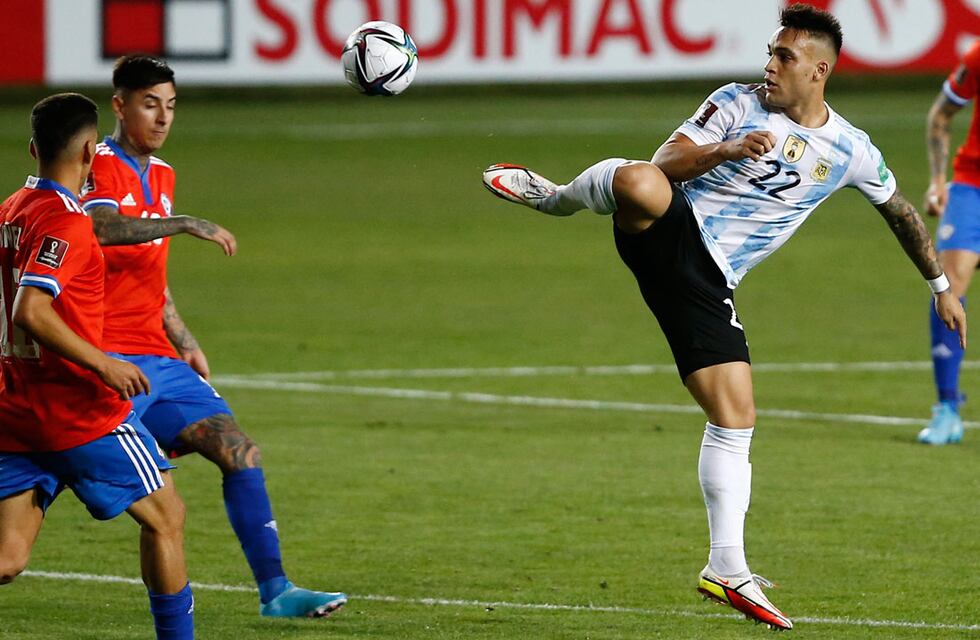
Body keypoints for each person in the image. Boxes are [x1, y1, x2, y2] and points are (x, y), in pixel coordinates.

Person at [482, 4, 966, 631]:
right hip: (669, 227)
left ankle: (726, 567)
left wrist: (940, 285)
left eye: (784, 57)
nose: (769, 65)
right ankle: (556, 198)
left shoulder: (850, 150)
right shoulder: (736, 103)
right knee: (637, 181)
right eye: (770, 51)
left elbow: (900, 212)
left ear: (818, 71)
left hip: (709, 283)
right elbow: (665, 163)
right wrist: (726, 149)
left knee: (735, 415)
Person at [79, 55, 347, 617]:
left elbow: (152, 272)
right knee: (44, 498)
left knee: (240, 452)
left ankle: (277, 591)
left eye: (170, 106)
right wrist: (185, 223)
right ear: (120, 105)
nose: (162, 118)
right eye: (150, 104)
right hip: (97, 358)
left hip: (157, 357)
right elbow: (101, 231)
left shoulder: (165, 175)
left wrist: (183, 339)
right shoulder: (95, 165)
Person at [0, 93, 194, 639]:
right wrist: (105, 364)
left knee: (8, 559)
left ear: (33, 147)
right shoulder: (68, 222)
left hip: (16, 413)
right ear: (91, 150)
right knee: (166, 518)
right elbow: (31, 310)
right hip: (81, 413)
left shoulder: (10, 210)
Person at [917, 40, 980, 445]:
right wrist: (939, 181)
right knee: (948, 283)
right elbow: (942, 114)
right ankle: (947, 410)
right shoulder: (978, 56)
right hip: (972, 186)